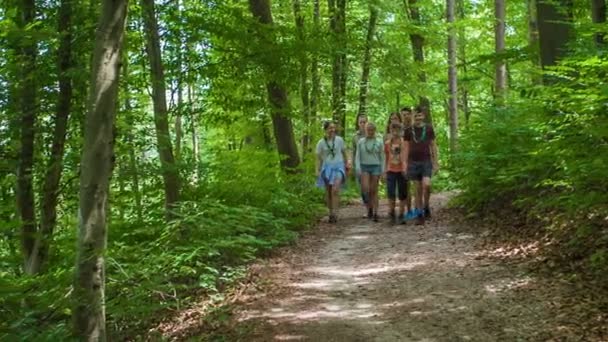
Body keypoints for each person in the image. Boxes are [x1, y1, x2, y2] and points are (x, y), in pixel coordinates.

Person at [403, 106, 439, 225]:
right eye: (416, 116)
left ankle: (426, 205)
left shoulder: (428, 128)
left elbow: (433, 145)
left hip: (426, 161)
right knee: (417, 189)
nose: (418, 118)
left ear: (423, 116)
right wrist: (404, 164)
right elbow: (406, 147)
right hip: (413, 162)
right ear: (413, 116)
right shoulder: (408, 130)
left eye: (420, 116)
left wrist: (436, 162)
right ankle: (419, 214)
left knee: (427, 185)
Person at [316, 121, 350, 223]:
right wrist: (317, 170)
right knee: (328, 191)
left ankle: (335, 212)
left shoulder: (339, 140)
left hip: (339, 166)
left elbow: (344, 153)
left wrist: (348, 163)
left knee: (335, 189)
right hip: (326, 168)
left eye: (334, 128)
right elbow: (318, 158)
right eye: (330, 128)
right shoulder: (321, 143)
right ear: (325, 129)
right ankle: (330, 213)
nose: (332, 130)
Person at [355, 122, 385, 222]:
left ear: (375, 130)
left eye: (372, 130)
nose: (370, 132)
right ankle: (369, 209)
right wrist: (358, 168)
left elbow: (382, 157)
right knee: (366, 189)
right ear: (365, 130)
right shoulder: (361, 142)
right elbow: (357, 156)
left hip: (376, 166)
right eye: (368, 130)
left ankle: (375, 212)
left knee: (374, 190)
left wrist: (383, 170)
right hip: (364, 166)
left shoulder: (379, 141)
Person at [384, 122, 409, 224]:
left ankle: (402, 214)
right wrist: (384, 170)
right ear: (390, 131)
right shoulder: (387, 143)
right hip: (390, 170)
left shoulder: (405, 143)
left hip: (402, 170)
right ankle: (392, 213)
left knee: (402, 193)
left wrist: (406, 169)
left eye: (397, 130)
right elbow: (385, 157)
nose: (395, 132)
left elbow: (407, 157)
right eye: (393, 130)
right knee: (391, 192)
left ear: (400, 131)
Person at [400, 107, 416, 220]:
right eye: (403, 114)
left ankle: (420, 208)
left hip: (416, 159)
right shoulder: (400, 129)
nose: (405, 116)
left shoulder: (416, 128)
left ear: (411, 115)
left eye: (407, 114)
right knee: (406, 186)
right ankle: (409, 210)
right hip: (403, 160)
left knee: (417, 186)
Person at [351, 114, 368, 217]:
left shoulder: (372, 134)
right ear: (358, 123)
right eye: (361, 122)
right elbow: (353, 152)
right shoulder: (355, 137)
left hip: (372, 164)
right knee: (363, 188)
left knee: (371, 187)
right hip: (360, 166)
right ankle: (367, 208)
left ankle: (372, 208)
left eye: (364, 122)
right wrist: (353, 166)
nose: (362, 124)